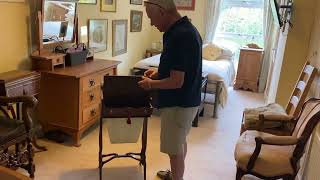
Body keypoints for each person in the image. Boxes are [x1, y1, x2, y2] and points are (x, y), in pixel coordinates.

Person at [138, 0, 202, 180]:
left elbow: (176, 81)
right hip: (188, 101)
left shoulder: (179, 36)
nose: (151, 23)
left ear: (162, 12)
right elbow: (180, 67)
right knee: (180, 142)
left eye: (152, 18)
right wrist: (159, 73)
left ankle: (176, 177)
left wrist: (150, 84)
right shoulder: (185, 29)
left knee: (174, 150)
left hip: (178, 104)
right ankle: (175, 174)